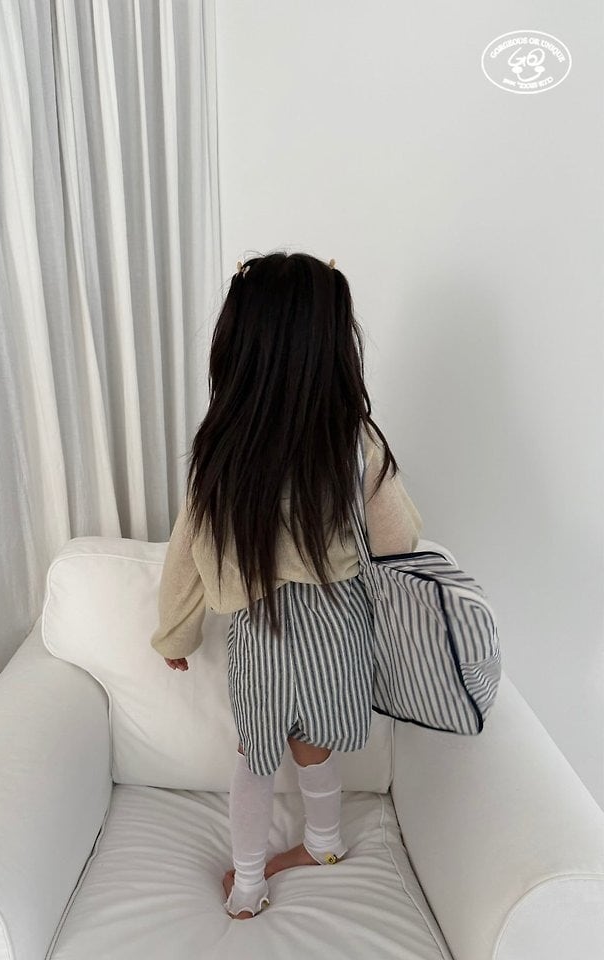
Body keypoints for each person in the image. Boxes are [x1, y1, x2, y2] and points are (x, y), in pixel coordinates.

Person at [149, 252, 423, 920]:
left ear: (239, 348)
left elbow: (188, 554)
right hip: (338, 628)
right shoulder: (353, 442)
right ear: (332, 349)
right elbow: (401, 541)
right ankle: (323, 842)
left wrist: (176, 633)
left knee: (256, 756)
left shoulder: (223, 452)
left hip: (262, 630)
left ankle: (248, 885)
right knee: (314, 742)